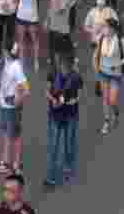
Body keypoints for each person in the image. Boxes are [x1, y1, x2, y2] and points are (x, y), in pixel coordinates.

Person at [44, 53, 82, 189]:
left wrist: (67, 102)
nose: (64, 69)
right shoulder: (53, 74)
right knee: (54, 147)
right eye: (62, 67)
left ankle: (68, 167)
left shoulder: (75, 78)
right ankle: (51, 177)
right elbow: (47, 91)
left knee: (68, 144)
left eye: (67, 68)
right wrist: (53, 100)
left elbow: (78, 96)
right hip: (55, 115)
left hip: (70, 115)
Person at [0, 42, 30, 177]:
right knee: (9, 134)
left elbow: (26, 89)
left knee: (11, 136)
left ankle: (8, 165)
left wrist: (16, 100)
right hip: (5, 104)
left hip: (11, 108)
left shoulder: (15, 67)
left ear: (7, 52)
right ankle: (14, 164)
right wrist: (0, 88)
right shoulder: (10, 62)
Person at [95, 16, 124, 135]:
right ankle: (106, 122)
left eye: (106, 27)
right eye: (104, 27)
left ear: (113, 29)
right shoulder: (101, 38)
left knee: (112, 100)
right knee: (105, 99)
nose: (104, 29)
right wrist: (97, 71)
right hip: (104, 73)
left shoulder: (120, 41)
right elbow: (98, 55)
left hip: (115, 74)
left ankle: (115, 112)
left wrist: (118, 66)